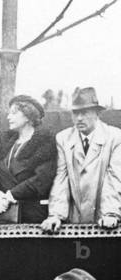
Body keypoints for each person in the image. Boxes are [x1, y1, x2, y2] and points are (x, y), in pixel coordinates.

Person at [42, 86, 121, 233]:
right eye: (75, 113)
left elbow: (115, 178)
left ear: (97, 113)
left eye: (84, 113)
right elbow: (61, 178)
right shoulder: (63, 138)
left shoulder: (115, 137)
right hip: (75, 221)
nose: (79, 118)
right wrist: (56, 215)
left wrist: (110, 213)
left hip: (108, 222)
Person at [0, 96, 56, 224]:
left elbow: (41, 179)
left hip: (32, 215)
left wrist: (11, 195)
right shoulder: (4, 143)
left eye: (13, 113)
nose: (8, 117)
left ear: (28, 116)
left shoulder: (45, 142)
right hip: (3, 212)